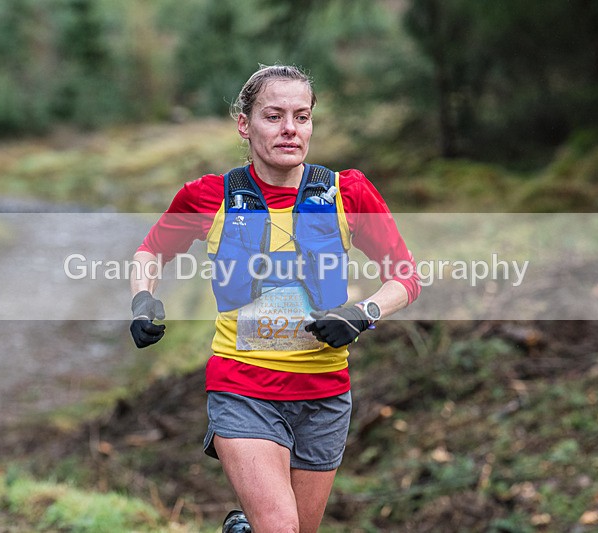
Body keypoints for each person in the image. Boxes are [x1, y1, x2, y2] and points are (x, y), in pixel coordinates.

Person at [130, 64, 421, 533]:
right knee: (280, 526)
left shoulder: (347, 192)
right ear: (244, 125)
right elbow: (151, 252)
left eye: (301, 117)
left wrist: (361, 313)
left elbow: (405, 276)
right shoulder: (209, 197)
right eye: (274, 116)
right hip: (242, 388)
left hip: (324, 397)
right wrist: (143, 301)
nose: (290, 129)